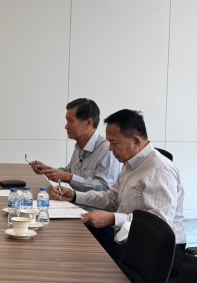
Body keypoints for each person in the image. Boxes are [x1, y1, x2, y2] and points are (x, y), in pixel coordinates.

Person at [54, 109, 186, 274]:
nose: (110, 149)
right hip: (128, 238)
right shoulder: (130, 163)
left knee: (92, 265)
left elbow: (157, 225)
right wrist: (74, 196)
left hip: (160, 250)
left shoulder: (159, 170)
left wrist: (112, 218)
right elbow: (112, 198)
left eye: (114, 143)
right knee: (80, 245)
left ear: (136, 141)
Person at [29, 98, 120, 192]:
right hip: (76, 200)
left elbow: (105, 188)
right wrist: (47, 169)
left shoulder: (107, 150)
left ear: (88, 123)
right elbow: (69, 171)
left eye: (71, 121)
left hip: (89, 202)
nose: (66, 126)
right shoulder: (79, 146)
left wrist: (68, 178)